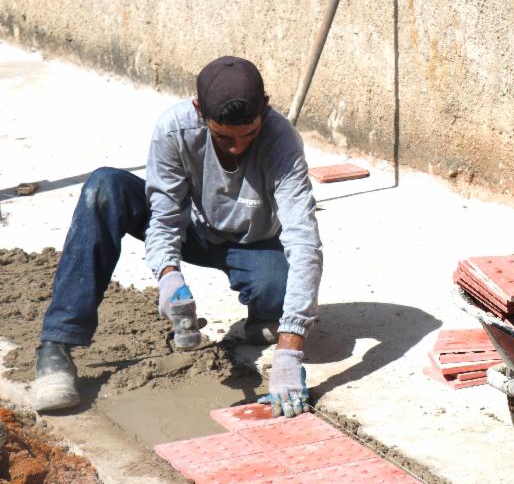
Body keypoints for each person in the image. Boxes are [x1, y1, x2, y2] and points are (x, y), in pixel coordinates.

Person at [32, 56, 323, 418]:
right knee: (104, 187)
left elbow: (304, 240)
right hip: (194, 230)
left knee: (277, 289)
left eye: (247, 135)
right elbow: (164, 216)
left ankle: (264, 317)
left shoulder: (282, 143)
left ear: (265, 107)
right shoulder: (174, 129)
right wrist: (168, 274)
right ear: (199, 110)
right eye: (223, 137)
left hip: (253, 243)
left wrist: (290, 349)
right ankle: (56, 347)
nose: (236, 147)